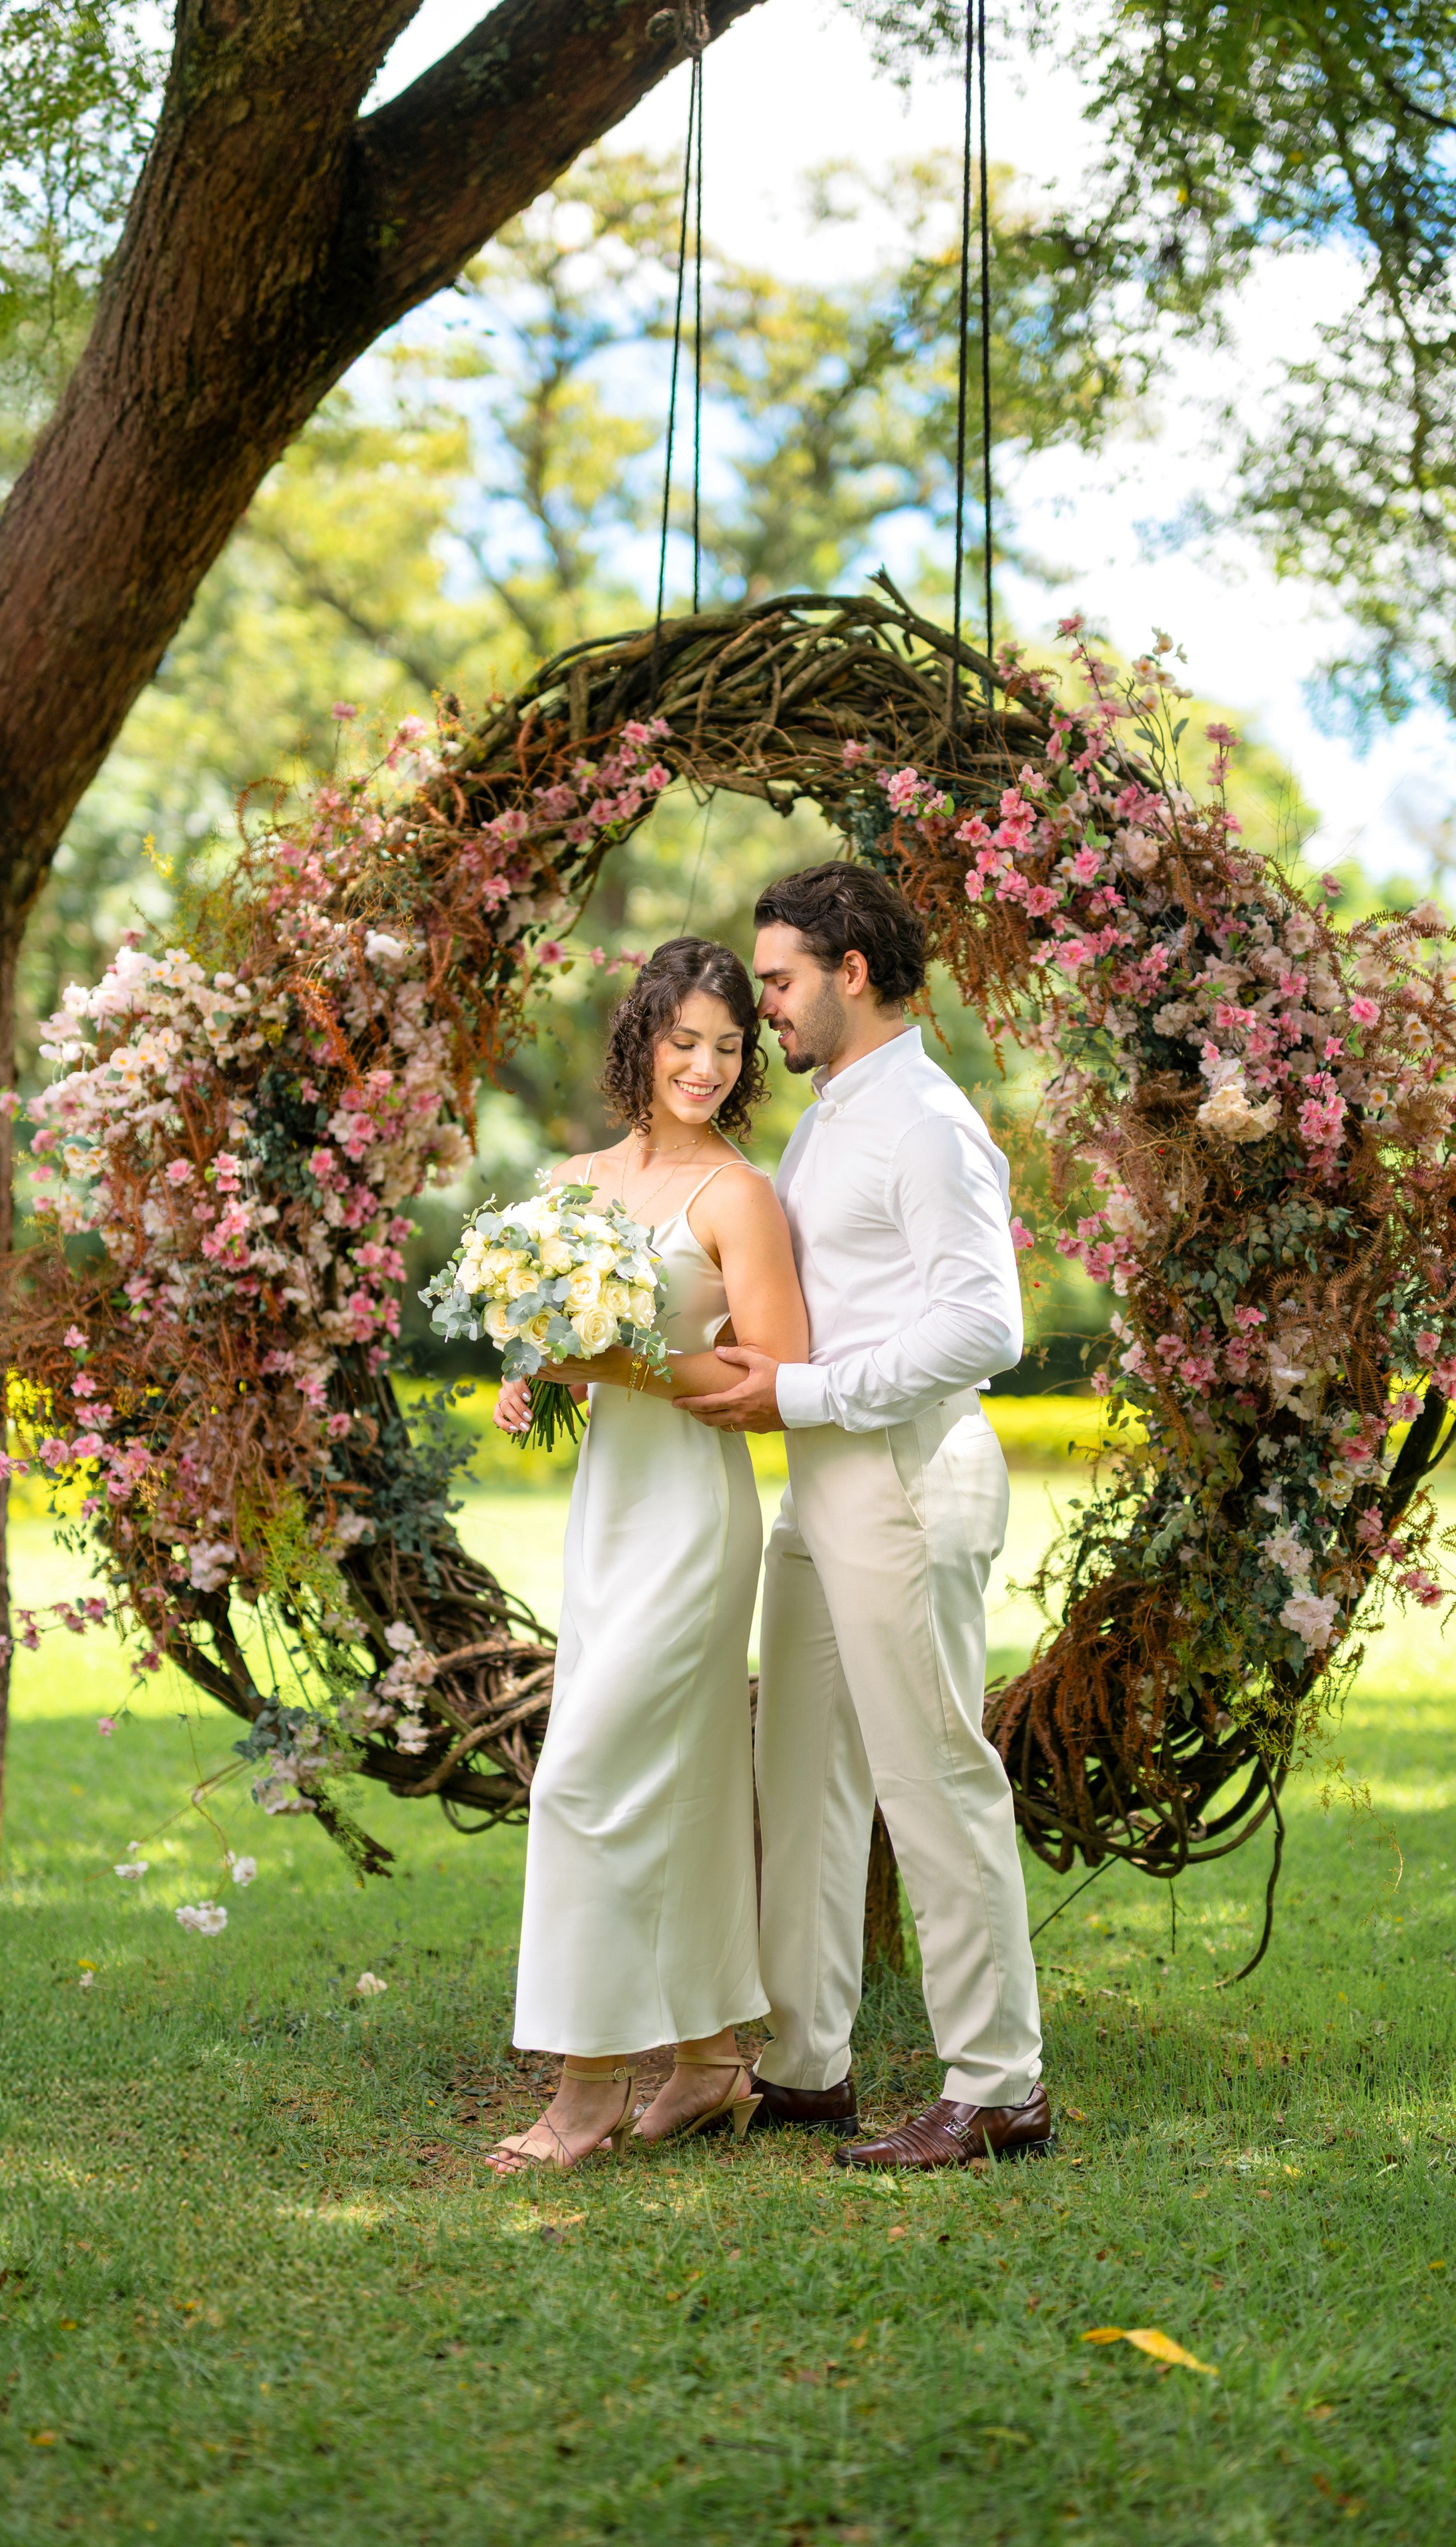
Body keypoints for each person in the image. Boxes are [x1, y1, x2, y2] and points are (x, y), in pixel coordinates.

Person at [682, 861, 1052, 2172]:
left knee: (932, 1779)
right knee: (805, 1781)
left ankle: (999, 2086)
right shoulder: (831, 1111)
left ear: (850, 969)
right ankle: (803, 2066)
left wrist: (804, 1388)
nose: (762, 1005)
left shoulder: (925, 1119)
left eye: (778, 979)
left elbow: (983, 1323)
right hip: (821, 1485)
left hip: (902, 1483)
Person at [485, 938, 810, 2175]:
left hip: (690, 1516)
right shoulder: (575, 1180)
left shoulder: (738, 1197)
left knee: (586, 1777)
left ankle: (586, 2090)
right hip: (606, 1508)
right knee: (679, 1782)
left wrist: (604, 1365)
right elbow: (552, 1340)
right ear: (643, 1039)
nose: (708, 1068)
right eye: (686, 1042)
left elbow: (769, 1378)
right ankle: (715, 2059)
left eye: (731, 1047)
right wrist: (532, 1381)